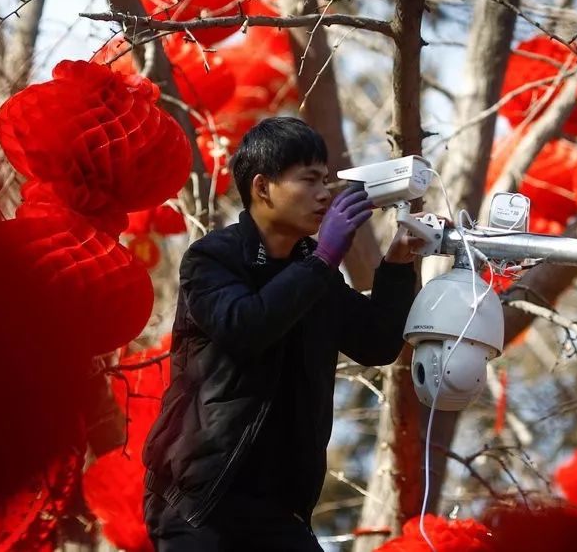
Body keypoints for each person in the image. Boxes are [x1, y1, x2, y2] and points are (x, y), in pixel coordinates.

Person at [142, 117, 420, 551]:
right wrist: (324, 257)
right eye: (309, 180)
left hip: (281, 514)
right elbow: (245, 327)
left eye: (326, 180)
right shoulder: (213, 258)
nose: (325, 193)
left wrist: (398, 266)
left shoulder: (318, 274)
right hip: (201, 505)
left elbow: (377, 343)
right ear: (262, 188)